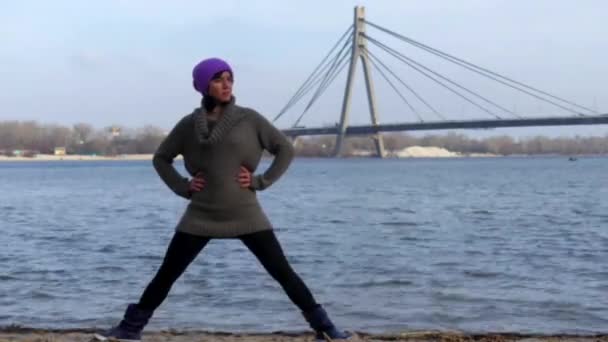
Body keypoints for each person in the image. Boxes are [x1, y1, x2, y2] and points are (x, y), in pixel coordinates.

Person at [94, 58, 353, 342]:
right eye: (218, 79)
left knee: (282, 272)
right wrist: (183, 186)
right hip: (201, 214)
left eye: (230, 78)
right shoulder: (188, 125)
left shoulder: (249, 119)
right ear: (204, 86)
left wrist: (260, 181)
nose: (227, 84)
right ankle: (130, 329)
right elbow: (161, 159)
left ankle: (326, 329)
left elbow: (284, 150)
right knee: (167, 274)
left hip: (245, 212)